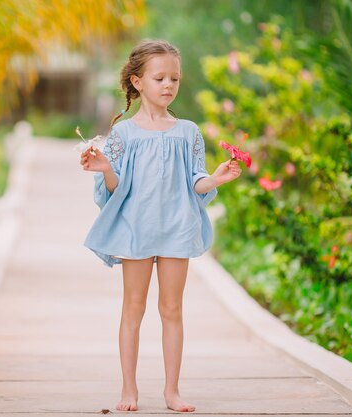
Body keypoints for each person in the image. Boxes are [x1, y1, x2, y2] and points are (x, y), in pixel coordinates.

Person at [79, 40, 242, 413]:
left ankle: (172, 391)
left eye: (175, 78)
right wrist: (106, 169)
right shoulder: (123, 135)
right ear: (137, 82)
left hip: (176, 230)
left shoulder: (188, 132)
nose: (168, 85)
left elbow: (195, 183)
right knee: (132, 309)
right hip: (136, 230)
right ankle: (129, 390)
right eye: (159, 78)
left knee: (172, 310)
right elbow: (115, 191)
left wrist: (215, 179)